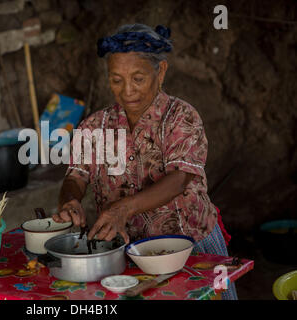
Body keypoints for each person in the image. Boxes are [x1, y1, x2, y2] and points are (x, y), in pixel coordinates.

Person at [52, 23, 237, 300]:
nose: (127, 91)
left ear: (160, 72)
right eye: (116, 80)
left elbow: (179, 179)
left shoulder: (181, 117)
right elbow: (76, 176)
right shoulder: (94, 126)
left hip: (193, 248)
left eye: (138, 78)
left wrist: (122, 209)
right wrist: (70, 200)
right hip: (126, 251)